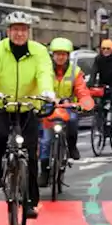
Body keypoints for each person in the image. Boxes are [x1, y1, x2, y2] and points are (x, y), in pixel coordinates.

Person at [0, 11, 56, 219]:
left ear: (28, 32)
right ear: (8, 31)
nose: (19, 34)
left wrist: (47, 92)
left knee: (30, 154)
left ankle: (30, 202)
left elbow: (44, 73)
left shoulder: (39, 51)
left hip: (26, 106)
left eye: (23, 30)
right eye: (15, 30)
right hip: (0, 103)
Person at [39, 37, 94, 186]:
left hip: (67, 106)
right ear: (52, 55)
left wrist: (85, 103)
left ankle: (71, 146)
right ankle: (44, 172)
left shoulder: (75, 72)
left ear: (68, 55)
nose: (60, 57)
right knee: (45, 140)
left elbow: (82, 90)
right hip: (49, 107)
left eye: (64, 54)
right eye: (57, 54)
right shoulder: (44, 70)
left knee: (73, 120)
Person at [91, 38, 112, 132]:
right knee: (99, 103)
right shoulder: (98, 59)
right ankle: (101, 122)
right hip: (103, 83)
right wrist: (90, 84)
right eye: (103, 48)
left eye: (108, 49)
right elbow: (94, 71)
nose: (105, 51)